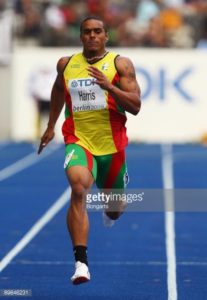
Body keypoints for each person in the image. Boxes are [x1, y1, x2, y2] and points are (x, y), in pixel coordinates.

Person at [38, 16, 141, 285]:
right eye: (87, 32)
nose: (92, 36)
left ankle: (111, 210)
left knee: (116, 209)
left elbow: (136, 106)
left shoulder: (121, 64)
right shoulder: (67, 64)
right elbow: (59, 89)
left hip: (112, 145)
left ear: (106, 35)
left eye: (97, 32)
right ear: (81, 36)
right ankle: (81, 263)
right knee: (78, 187)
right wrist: (50, 126)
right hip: (78, 139)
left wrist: (109, 87)